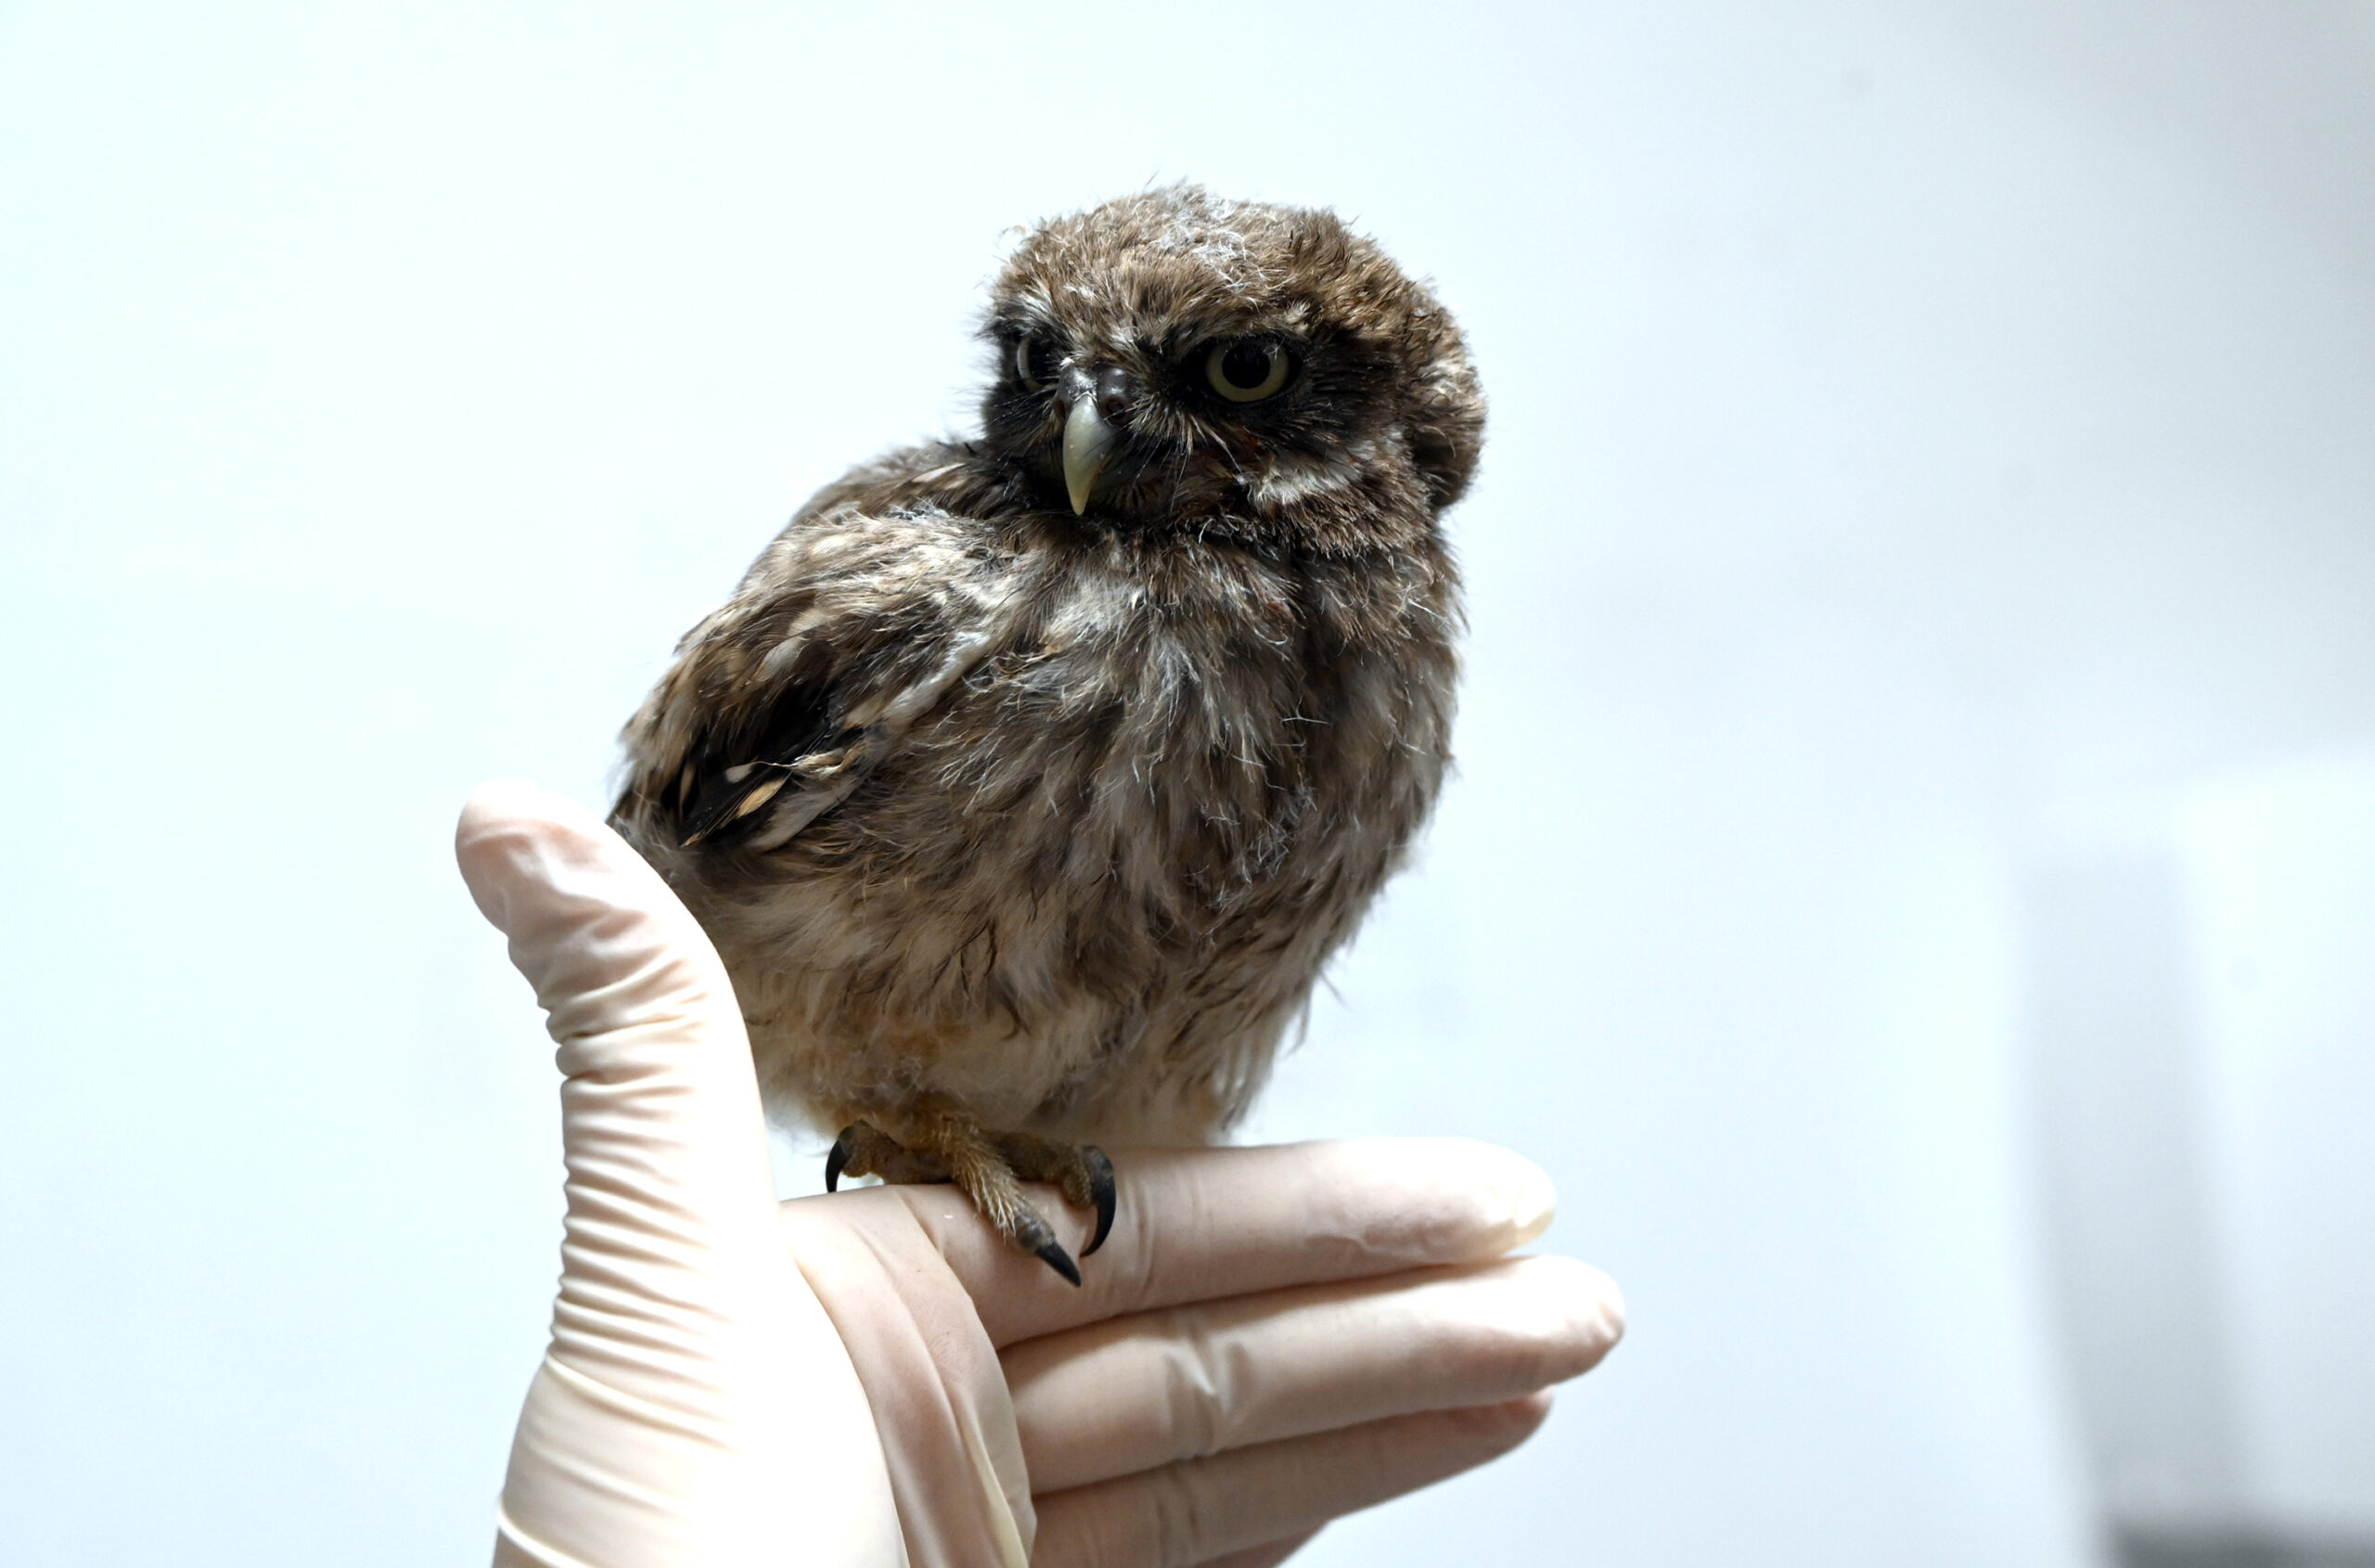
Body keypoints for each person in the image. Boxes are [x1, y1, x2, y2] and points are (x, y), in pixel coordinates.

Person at [458, 780, 1625, 1568]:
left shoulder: (1384, 689)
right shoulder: (931, 588)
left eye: (1243, 386)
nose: (1089, 425)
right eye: (1046, 388)